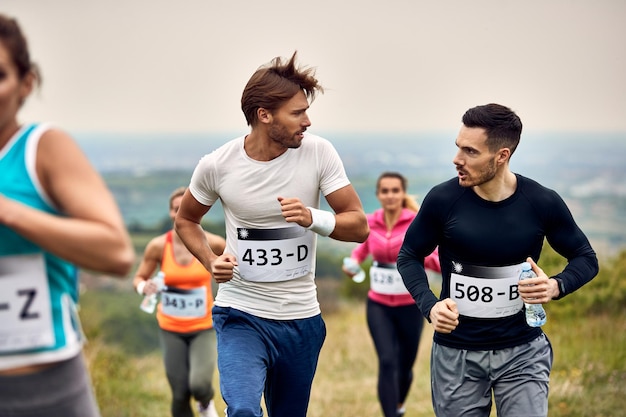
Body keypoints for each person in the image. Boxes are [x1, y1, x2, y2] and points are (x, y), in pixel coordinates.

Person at [174, 51, 369, 417]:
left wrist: (313, 217)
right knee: (244, 409)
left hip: (300, 318)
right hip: (240, 313)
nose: (307, 122)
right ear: (264, 115)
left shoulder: (319, 153)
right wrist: (211, 260)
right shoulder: (217, 165)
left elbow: (358, 225)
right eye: (297, 113)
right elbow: (186, 220)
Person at [397, 103, 599, 417]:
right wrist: (431, 305)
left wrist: (556, 286)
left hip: (523, 352)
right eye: (457, 148)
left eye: (470, 152)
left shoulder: (541, 202)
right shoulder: (443, 200)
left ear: (501, 155)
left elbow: (586, 258)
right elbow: (409, 255)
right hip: (456, 354)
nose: (457, 159)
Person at [0, 13, 135, 417]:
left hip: (44, 387)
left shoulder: (41, 148)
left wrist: (10, 212)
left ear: (26, 84)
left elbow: (116, 253)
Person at [342, 172, 441, 417]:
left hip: (411, 305)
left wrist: (423, 259)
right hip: (379, 305)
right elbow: (361, 249)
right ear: (378, 195)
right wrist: (352, 263)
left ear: (402, 194)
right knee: (387, 361)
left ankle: (398, 407)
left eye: (395, 190)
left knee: (405, 366)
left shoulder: (417, 223)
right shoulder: (370, 222)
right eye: (384, 191)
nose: (390, 195)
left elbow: (437, 261)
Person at [133, 187, 226, 417]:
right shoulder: (157, 246)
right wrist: (144, 287)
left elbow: (235, 268)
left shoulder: (214, 243)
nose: (179, 212)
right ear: (171, 212)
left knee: (200, 385)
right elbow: (139, 277)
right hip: (171, 327)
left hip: (202, 326)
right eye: (176, 209)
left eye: (184, 208)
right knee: (179, 393)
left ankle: (205, 404)